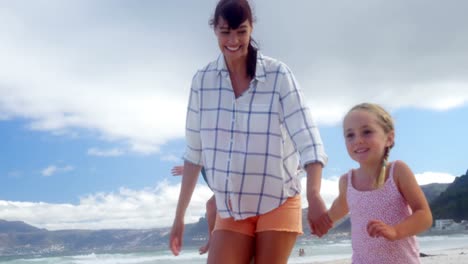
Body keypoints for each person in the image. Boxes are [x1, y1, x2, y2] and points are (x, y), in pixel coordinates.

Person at [169, 0, 330, 263]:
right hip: (232, 206)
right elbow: (194, 153)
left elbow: (308, 139)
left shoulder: (278, 75)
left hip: (278, 198)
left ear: (251, 28)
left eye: (241, 31)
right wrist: (179, 218)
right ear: (215, 31)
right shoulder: (202, 82)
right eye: (225, 32)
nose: (233, 40)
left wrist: (313, 194)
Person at [315, 103, 433, 263]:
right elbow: (339, 209)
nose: (358, 140)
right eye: (350, 135)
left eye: (367, 132)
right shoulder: (347, 181)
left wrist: (395, 231)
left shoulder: (397, 171)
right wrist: (321, 222)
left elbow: (424, 216)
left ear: (389, 138)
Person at [171, 165, 216, 255]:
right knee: (210, 205)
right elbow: (200, 159)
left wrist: (190, 168)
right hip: (220, 190)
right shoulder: (203, 159)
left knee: (211, 205)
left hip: (230, 186)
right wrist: (189, 168)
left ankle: (212, 240)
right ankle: (212, 240)